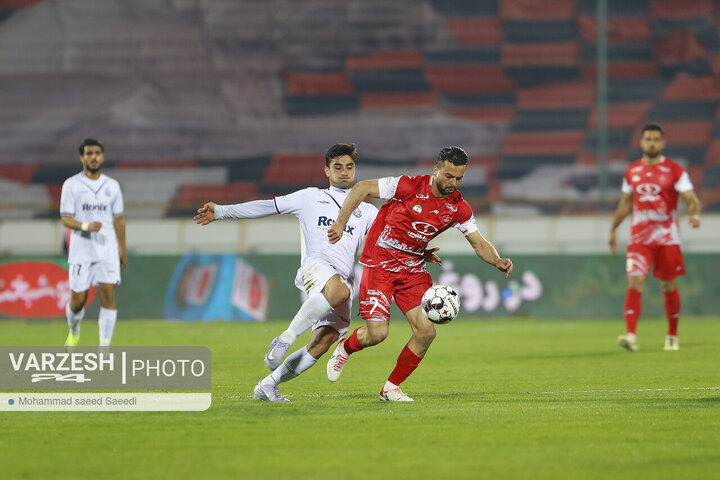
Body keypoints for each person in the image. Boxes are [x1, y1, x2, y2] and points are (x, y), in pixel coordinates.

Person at [195, 143, 404, 402]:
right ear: (326, 170)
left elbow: (392, 237)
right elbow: (266, 206)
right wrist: (223, 212)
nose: (344, 172)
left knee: (322, 343)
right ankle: (286, 337)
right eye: (337, 167)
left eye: (349, 167)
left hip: (343, 276)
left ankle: (268, 385)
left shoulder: (367, 211)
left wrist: (420, 250)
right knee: (339, 291)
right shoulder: (309, 197)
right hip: (316, 267)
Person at [326, 146, 513, 402]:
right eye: (448, 176)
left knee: (426, 332)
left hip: (412, 270)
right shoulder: (408, 186)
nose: (453, 183)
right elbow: (361, 188)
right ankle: (345, 348)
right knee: (378, 334)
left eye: (459, 178)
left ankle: (391, 388)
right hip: (379, 264)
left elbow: (478, 242)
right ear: (435, 170)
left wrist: (497, 260)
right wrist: (340, 222)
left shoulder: (458, 207)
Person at [610, 123, 701, 352]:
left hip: (667, 237)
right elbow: (625, 203)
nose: (652, 143)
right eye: (648, 139)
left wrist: (694, 213)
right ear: (641, 142)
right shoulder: (632, 171)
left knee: (668, 284)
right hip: (640, 238)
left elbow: (690, 197)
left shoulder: (675, 170)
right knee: (635, 280)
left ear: (663, 143)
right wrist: (613, 229)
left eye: (656, 139)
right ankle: (630, 335)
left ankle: (672, 335)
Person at [60, 138, 127, 348]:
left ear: (102, 156)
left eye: (97, 153)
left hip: (107, 249)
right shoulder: (72, 185)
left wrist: (123, 248)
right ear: (82, 157)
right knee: (78, 302)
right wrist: (88, 226)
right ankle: (74, 330)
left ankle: (104, 348)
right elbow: (65, 218)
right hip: (82, 250)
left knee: (108, 293)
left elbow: (118, 219)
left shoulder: (112, 186)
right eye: (89, 153)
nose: (93, 157)